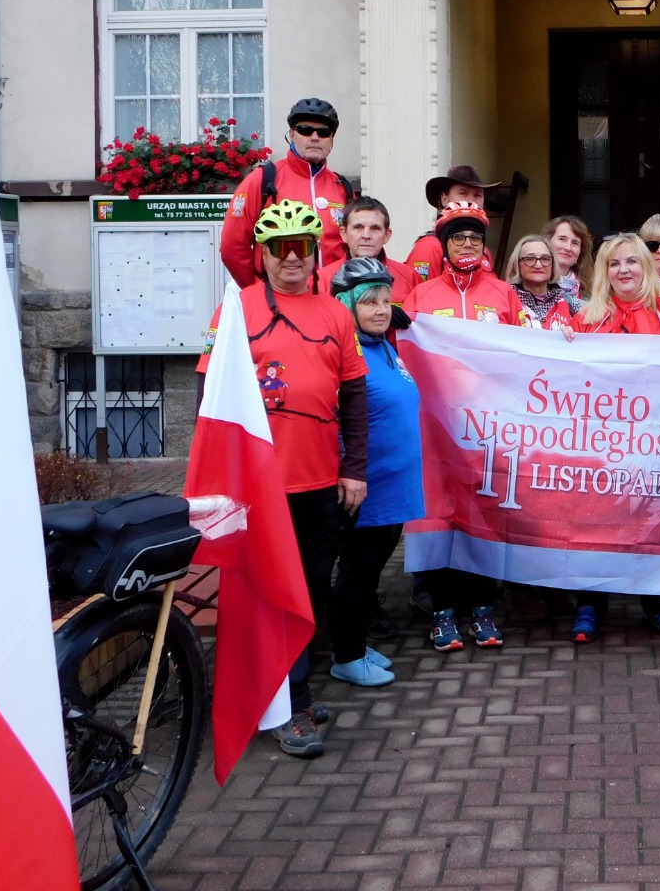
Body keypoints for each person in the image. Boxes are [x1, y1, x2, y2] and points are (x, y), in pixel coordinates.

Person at [197, 199, 368, 757]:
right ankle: (283, 705)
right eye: (279, 248)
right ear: (262, 256)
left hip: (317, 481)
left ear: (314, 253)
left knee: (308, 593)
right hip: (256, 486)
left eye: (301, 247)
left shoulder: (335, 313)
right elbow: (209, 397)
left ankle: (294, 691)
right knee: (260, 595)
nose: (291, 258)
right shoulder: (233, 310)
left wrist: (354, 469)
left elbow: (354, 397)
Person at [400, 201, 530, 651]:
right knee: (438, 516)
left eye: (475, 237)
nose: (468, 244)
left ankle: (482, 606)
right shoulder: (422, 295)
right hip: (437, 427)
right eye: (459, 237)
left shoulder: (503, 294)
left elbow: (525, 354)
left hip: (488, 428)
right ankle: (441, 610)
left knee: (485, 515)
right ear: (445, 245)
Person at [561, 233, 660, 640]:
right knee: (594, 520)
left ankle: (656, 604)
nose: (624, 270)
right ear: (604, 271)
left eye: (632, 261)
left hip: (653, 441)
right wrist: (562, 342)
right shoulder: (587, 317)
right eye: (614, 263)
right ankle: (589, 605)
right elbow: (559, 369)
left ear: (645, 266)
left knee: (651, 519)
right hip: (600, 442)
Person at [322, 258, 425, 689]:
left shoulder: (381, 345)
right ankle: (346, 655)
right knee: (358, 572)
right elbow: (336, 421)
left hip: (393, 484)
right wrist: (349, 474)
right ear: (347, 306)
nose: (382, 309)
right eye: (369, 302)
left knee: (371, 570)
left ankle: (355, 642)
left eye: (386, 300)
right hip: (367, 485)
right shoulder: (345, 352)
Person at [220, 98, 353, 288]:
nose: (315, 137)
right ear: (292, 133)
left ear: (331, 139)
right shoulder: (263, 179)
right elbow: (232, 248)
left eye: (324, 132)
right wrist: (259, 291)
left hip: (333, 297)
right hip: (280, 298)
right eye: (305, 130)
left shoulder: (342, 187)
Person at [405, 164, 501, 284]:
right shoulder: (429, 245)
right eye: (463, 193)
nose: (471, 200)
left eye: (477, 195)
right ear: (444, 199)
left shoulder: (483, 250)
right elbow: (417, 292)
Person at [336, 195, 419, 302]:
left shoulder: (409, 277)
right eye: (358, 227)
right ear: (344, 233)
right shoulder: (323, 279)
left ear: (387, 235)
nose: (366, 235)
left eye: (375, 228)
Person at [505, 234, 580, 326]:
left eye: (545, 259)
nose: (538, 265)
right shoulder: (504, 299)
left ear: (553, 264)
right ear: (517, 264)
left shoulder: (572, 305)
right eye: (530, 258)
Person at [543, 215, 594, 301]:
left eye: (575, 243)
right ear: (547, 242)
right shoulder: (531, 283)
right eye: (562, 239)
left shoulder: (591, 293)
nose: (568, 248)